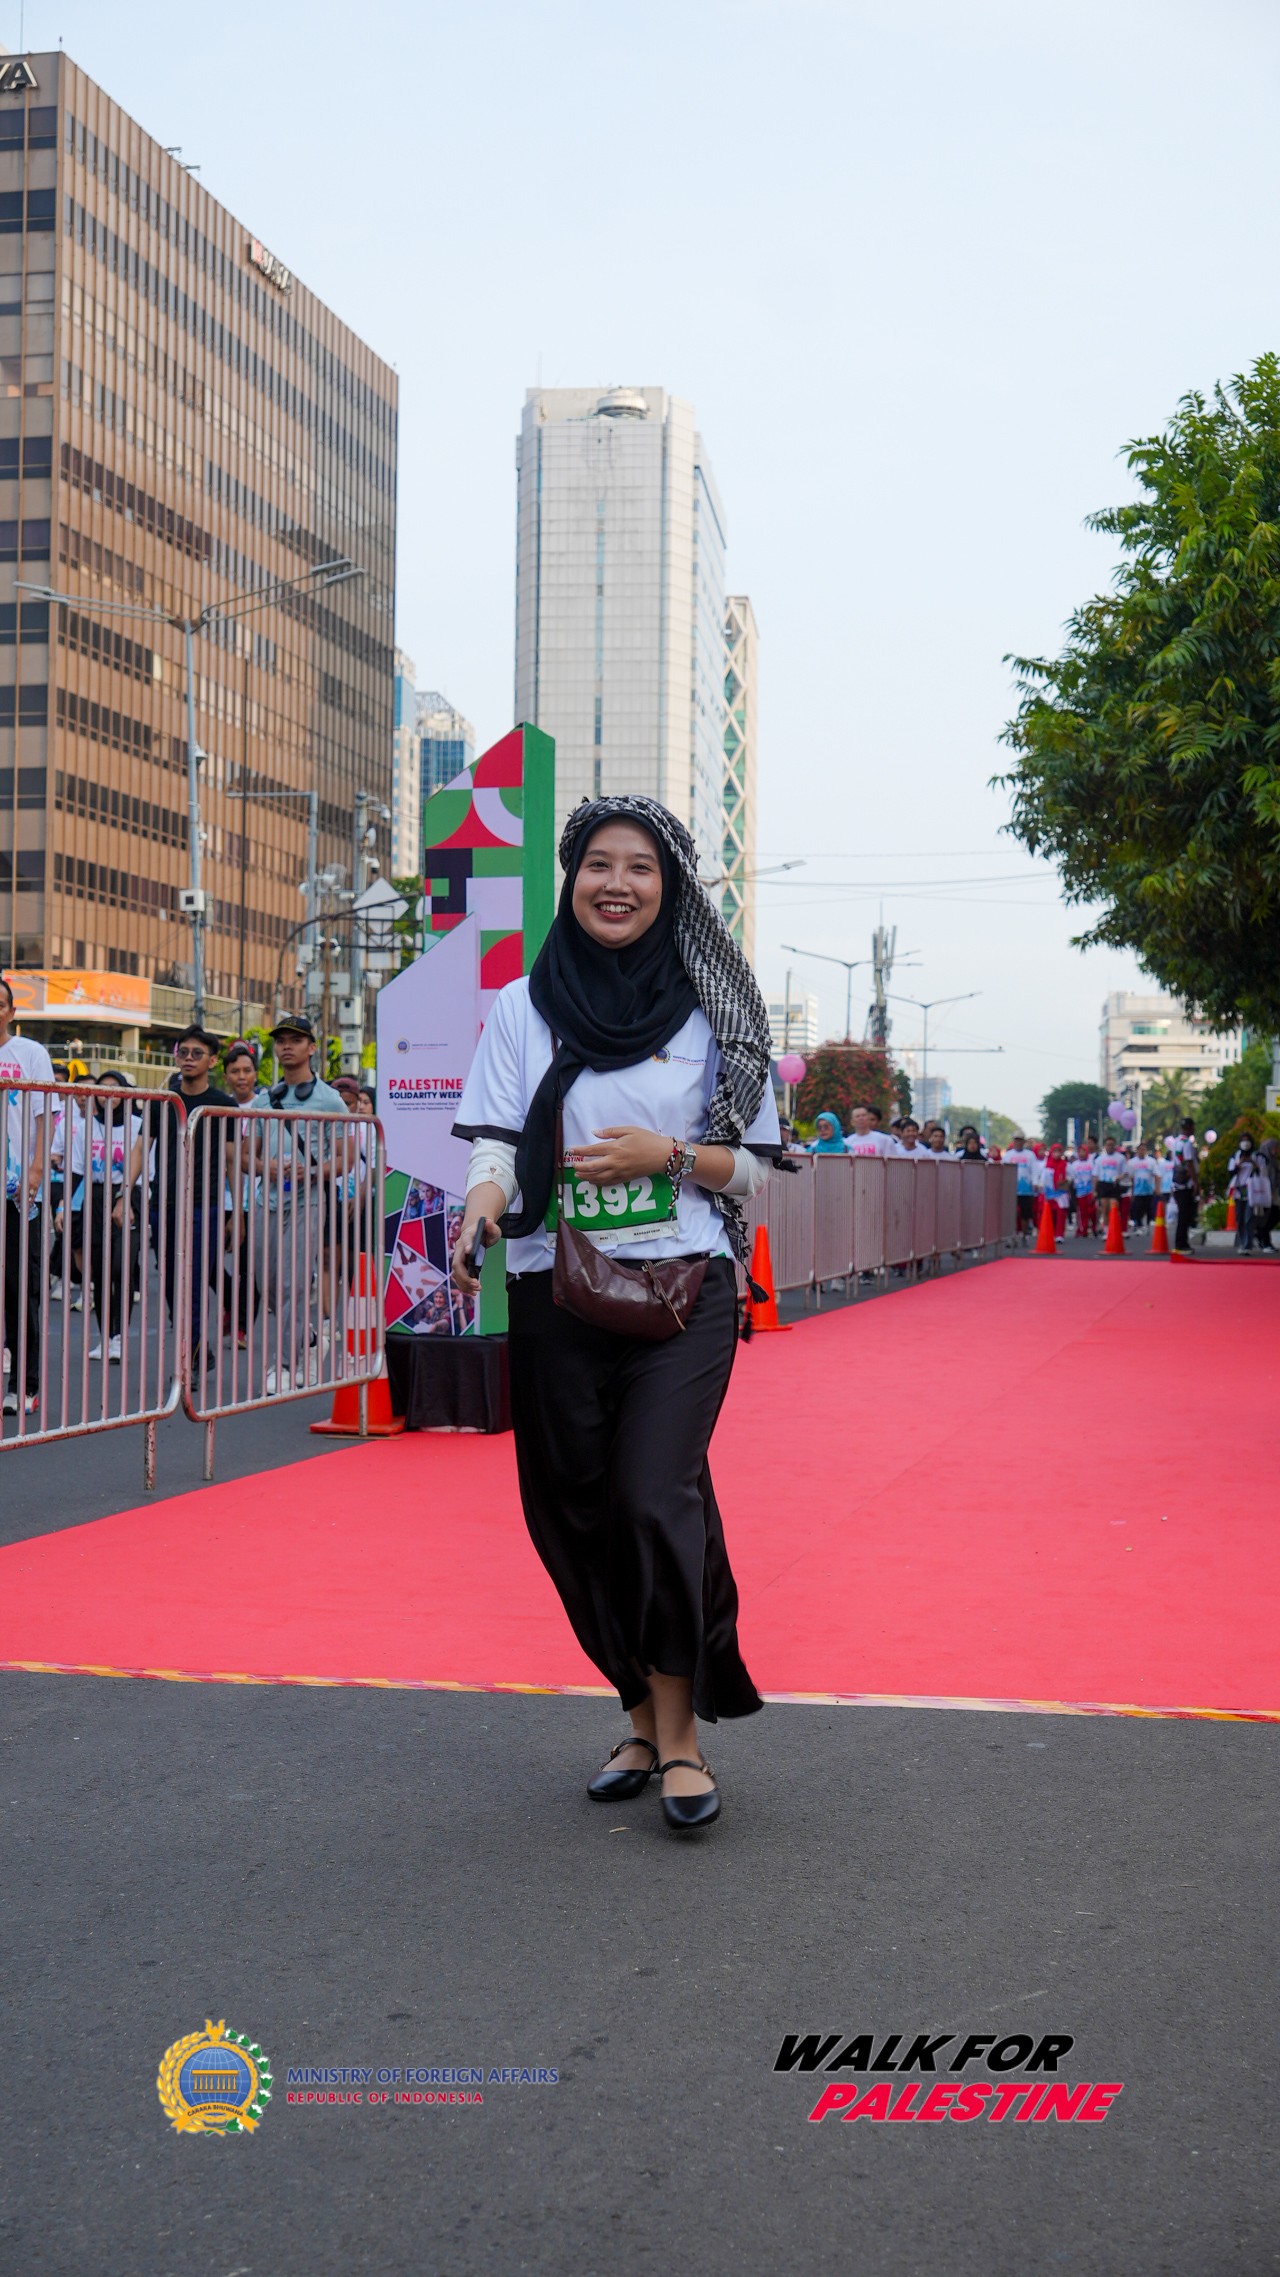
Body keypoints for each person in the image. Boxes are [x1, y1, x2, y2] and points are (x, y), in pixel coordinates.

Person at [451, 794, 779, 1834]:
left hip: (685, 1286)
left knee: (650, 1496)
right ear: (573, 879)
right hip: (555, 1284)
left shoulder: (714, 1011)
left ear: (668, 888)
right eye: (599, 864)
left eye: (640, 867)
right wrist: (482, 1207)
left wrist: (665, 1155)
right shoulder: (525, 1004)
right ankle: (635, 1716)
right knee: (573, 1510)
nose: (617, 884)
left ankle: (679, 1737)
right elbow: (497, 1142)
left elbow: (753, 1169)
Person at [122, 1024, 235, 1371]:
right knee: (171, 1280)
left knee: (195, 1281)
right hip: (164, 1203)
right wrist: (125, 1194)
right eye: (182, 1052)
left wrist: (237, 1211)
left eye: (197, 1053)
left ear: (212, 1060)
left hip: (205, 1205)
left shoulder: (223, 1104)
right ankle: (199, 1348)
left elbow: (233, 1160)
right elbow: (141, 1148)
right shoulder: (163, 1101)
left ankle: (191, 1361)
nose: (188, 1058)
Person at [251, 1014, 347, 1390]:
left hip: (309, 1200)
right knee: (268, 1284)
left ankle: (284, 1364)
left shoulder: (330, 1100)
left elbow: (345, 1158)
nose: (286, 1046)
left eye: (295, 1039)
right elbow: (247, 1157)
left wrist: (314, 1171)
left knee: (292, 1283)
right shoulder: (264, 1100)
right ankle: (307, 1336)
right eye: (281, 1040)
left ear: (312, 1047)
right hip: (267, 1200)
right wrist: (268, 1167)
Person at [53, 1071, 141, 1359]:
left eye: (116, 1089)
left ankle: (119, 1334)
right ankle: (107, 1338)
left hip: (130, 1196)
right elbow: (76, 1173)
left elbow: (146, 1172)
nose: (109, 1095)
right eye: (104, 1090)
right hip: (94, 1197)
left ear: (126, 1093)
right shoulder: (86, 1127)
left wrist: (127, 1199)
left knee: (120, 1267)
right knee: (100, 1272)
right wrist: (64, 1206)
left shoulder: (137, 1126)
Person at [0, 973, 54, 1414]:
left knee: (21, 1287)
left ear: (11, 1012)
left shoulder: (30, 1053)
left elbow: (44, 1114)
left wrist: (36, 1168)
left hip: (17, 1187)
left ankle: (25, 1383)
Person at [1003, 1132, 1040, 1240]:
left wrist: (1035, 1182)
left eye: (1020, 1140)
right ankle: (1011, 1235)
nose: (1018, 1143)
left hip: (1026, 1189)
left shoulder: (1030, 1155)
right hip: (1011, 1188)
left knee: (1025, 1214)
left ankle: (1024, 1235)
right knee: (1011, 1213)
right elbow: (1003, 1169)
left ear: (1023, 1142)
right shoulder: (1008, 1155)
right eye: (1016, 1140)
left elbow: (1034, 1170)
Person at [1067, 1139, 1097, 1239]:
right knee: (1082, 1212)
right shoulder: (1074, 1165)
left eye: (1083, 1151)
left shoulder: (1091, 1163)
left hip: (1090, 1190)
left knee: (1092, 1211)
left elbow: (1094, 1177)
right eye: (1079, 1152)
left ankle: (1094, 1227)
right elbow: (1071, 1178)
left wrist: (1095, 1190)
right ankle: (1083, 1229)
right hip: (1079, 1192)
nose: (1081, 1153)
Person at [1128, 1142, 1157, 1232]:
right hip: (1137, 1190)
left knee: (1148, 1208)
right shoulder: (1131, 1162)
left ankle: (1148, 1224)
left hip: (1149, 1190)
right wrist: (1131, 1191)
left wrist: (1157, 1188)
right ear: (1137, 1151)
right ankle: (1138, 1224)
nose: (1142, 1151)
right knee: (1137, 1208)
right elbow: (1130, 1177)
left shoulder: (1152, 1161)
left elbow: (1156, 1175)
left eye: (1144, 1150)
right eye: (1140, 1150)